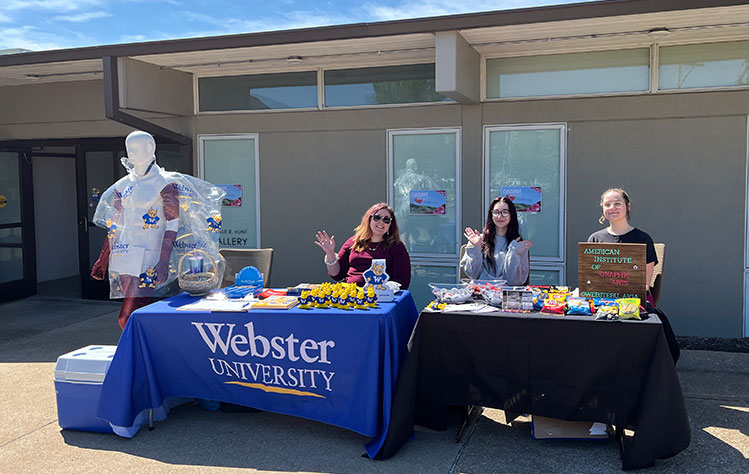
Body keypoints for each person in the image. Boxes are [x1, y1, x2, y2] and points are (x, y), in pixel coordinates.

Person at [91, 130, 224, 330]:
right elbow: (115, 225)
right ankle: (144, 351)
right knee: (140, 314)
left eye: (137, 148)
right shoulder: (122, 185)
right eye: (129, 149)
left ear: (151, 148)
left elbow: (172, 225)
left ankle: (141, 352)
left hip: (149, 257)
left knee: (128, 316)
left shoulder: (165, 183)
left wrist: (163, 261)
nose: (132, 153)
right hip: (125, 256)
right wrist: (104, 257)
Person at [314, 203, 411, 289]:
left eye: (386, 220)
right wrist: (330, 253)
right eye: (377, 217)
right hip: (350, 294)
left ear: (390, 224)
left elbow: (402, 280)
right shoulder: (353, 242)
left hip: (381, 297)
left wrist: (384, 289)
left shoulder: (396, 247)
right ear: (368, 219)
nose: (381, 222)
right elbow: (337, 275)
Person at [587, 188, 658, 298]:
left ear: (628, 206)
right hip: (601, 302)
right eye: (607, 204)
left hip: (633, 302)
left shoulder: (643, 239)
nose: (612, 208)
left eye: (617, 203)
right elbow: (591, 278)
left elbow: (645, 285)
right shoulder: (594, 239)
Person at [461, 196, 533, 285]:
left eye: (505, 212)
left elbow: (514, 282)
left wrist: (514, 253)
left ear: (512, 215)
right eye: (496, 212)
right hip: (480, 293)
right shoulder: (478, 239)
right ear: (491, 215)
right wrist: (475, 247)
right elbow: (472, 274)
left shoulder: (518, 244)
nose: (500, 216)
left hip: (505, 296)